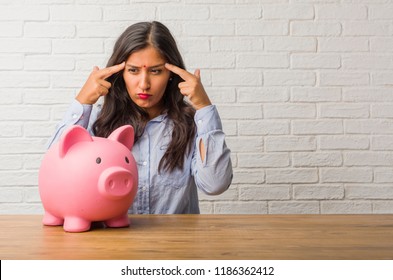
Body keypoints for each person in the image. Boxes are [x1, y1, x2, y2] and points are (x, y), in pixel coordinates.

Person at [47, 21, 232, 214]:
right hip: (110, 241)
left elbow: (215, 184)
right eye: (133, 70)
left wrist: (204, 107)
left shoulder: (194, 125)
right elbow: (54, 172)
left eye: (155, 71)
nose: (144, 84)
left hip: (176, 242)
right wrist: (82, 101)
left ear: (171, 73)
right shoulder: (98, 121)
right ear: (120, 73)